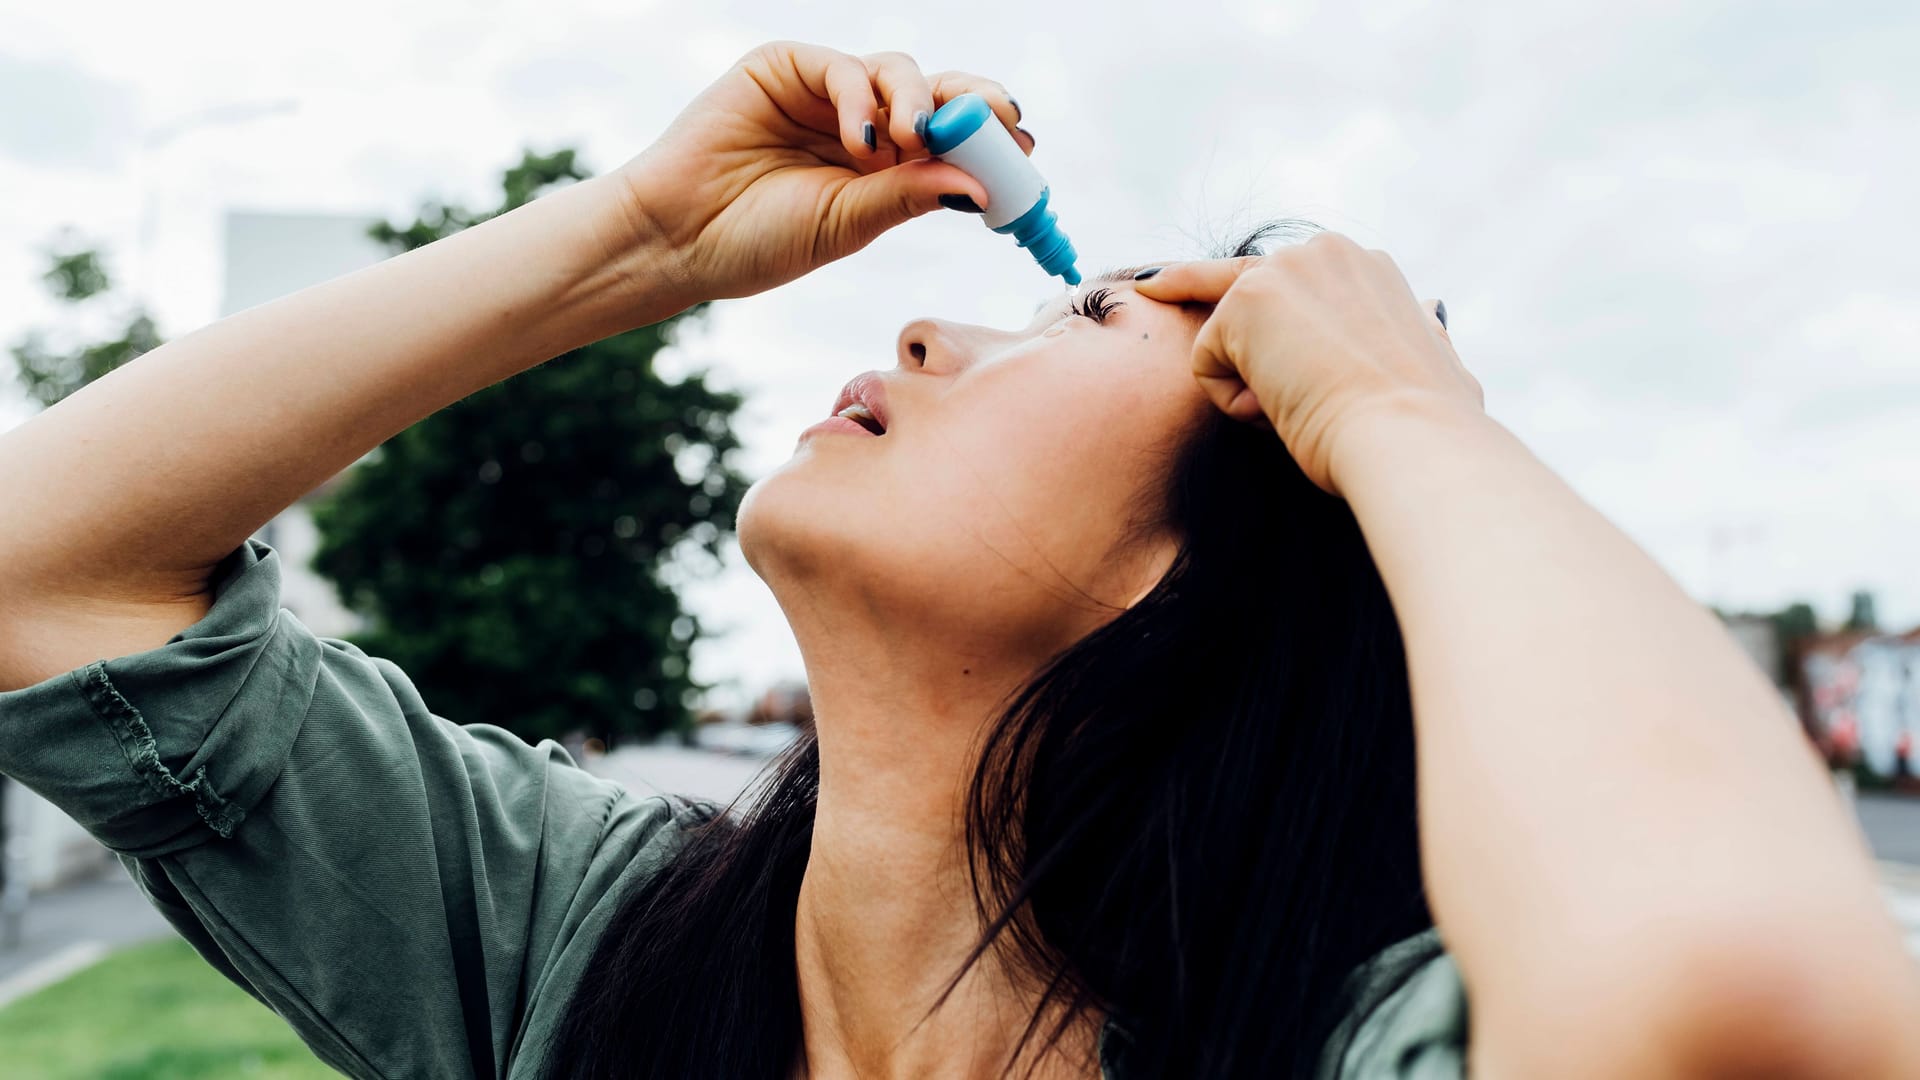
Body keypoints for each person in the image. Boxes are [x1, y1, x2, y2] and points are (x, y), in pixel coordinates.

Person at [0, 39, 1915, 1080]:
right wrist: (646, 237)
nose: (925, 330)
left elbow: (1740, 1012)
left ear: (1214, 582)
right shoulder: (588, 953)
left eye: (1080, 322)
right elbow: (50, 574)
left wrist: (1406, 420)